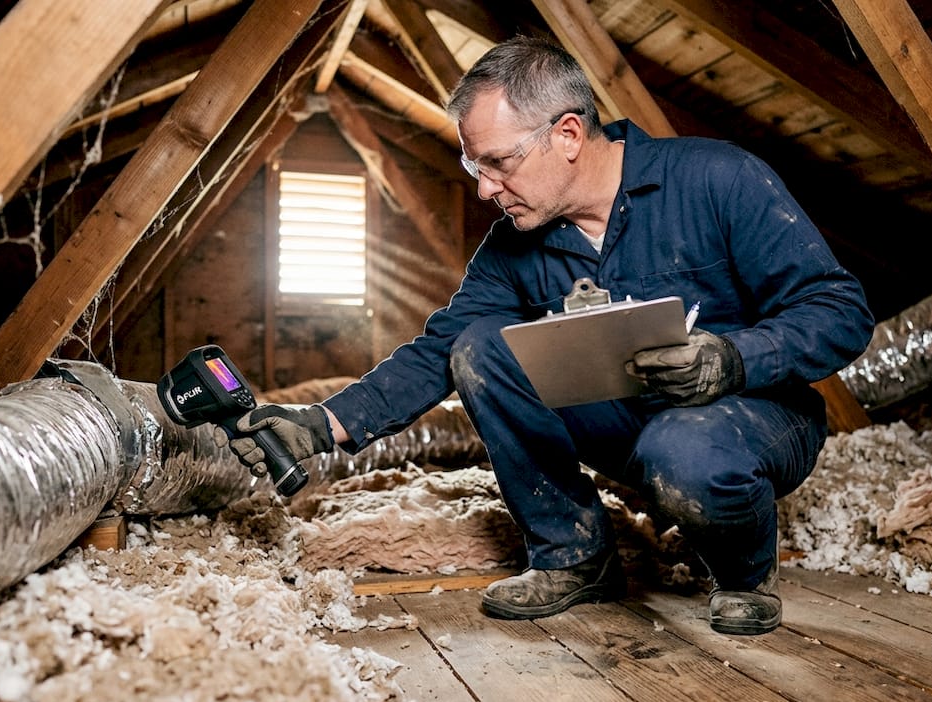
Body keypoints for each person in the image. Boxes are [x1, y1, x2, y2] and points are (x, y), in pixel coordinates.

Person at [228, 36, 874, 636]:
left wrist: (733, 359)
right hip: (627, 427)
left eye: (498, 162)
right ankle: (573, 556)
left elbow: (840, 309)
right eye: (472, 166)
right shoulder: (514, 242)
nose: (484, 189)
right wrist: (320, 425)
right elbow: (439, 351)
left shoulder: (717, 178)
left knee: (689, 449)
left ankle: (743, 574)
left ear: (567, 133)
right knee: (479, 346)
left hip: (751, 420)